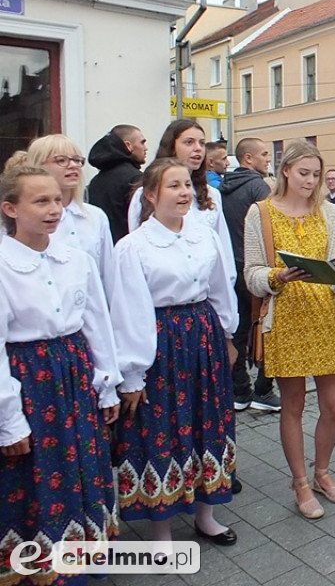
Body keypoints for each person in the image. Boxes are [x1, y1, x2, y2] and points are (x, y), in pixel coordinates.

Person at [0, 166, 121, 583]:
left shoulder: (76, 259)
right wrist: (9, 418)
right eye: (41, 201)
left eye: (57, 200)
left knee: (84, 462)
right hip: (29, 379)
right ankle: (37, 562)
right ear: (10, 209)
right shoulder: (2, 264)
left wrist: (107, 384)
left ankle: (84, 549)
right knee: (35, 471)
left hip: (73, 374)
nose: (54, 209)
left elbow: (96, 323)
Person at [110, 158, 238, 544]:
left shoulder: (205, 235)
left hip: (203, 336)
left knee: (207, 421)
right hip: (159, 342)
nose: (184, 193)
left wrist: (228, 335)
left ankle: (206, 514)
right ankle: (161, 527)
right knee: (160, 428)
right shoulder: (132, 247)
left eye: (186, 185)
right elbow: (127, 310)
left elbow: (221, 286)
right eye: (173, 186)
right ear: (150, 195)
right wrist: (132, 373)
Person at [244, 140, 335, 519]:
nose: (310, 181)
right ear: (286, 171)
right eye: (303, 173)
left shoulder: (328, 212)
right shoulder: (260, 213)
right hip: (286, 316)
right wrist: (277, 276)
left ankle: (323, 471)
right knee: (293, 405)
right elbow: (252, 274)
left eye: (316, 175)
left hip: (324, 315)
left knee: (334, 405)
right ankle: (300, 482)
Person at [127, 119, 233, 277]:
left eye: (202, 143)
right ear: (172, 146)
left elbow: (223, 249)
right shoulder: (145, 194)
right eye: (189, 142)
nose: (198, 148)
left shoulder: (211, 194)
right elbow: (136, 246)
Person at [219, 136, 280, 413]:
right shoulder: (259, 188)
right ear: (248, 159)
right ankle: (264, 390)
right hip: (257, 270)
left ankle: (239, 390)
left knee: (240, 332)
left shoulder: (223, 187)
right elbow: (274, 231)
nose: (268, 158)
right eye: (264, 154)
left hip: (233, 268)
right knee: (268, 330)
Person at [27, 134, 116, 296]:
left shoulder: (95, 217)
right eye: (61, 160)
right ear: (39, 166)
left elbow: (109, 275)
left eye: (77, 160)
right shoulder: (26, 219)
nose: (73, 166)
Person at [87, 124, 146, 243]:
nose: (146, 148)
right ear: (128, 146)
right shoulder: (136, 179)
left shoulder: (95, 181)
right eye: (142, 142)